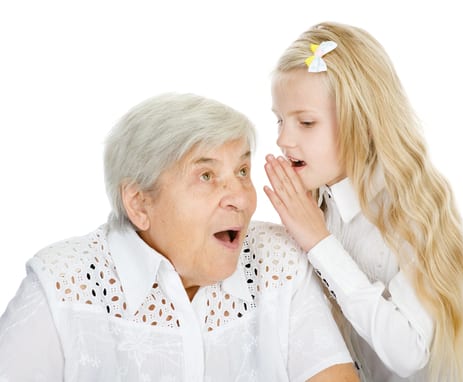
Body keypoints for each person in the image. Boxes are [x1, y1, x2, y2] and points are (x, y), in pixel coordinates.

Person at [0, 92, 359, 381]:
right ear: (139, 203)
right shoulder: (61, 284)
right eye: (206, 176)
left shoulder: (278, 260)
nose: (240, 197)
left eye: (242, 170)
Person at [263, 21, 463, 382]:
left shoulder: (411, 211)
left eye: (305, 122)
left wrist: (319, 243)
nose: (283, 139)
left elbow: (408, 356)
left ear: (363, 121)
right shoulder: (320, 207)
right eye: (279, 120)